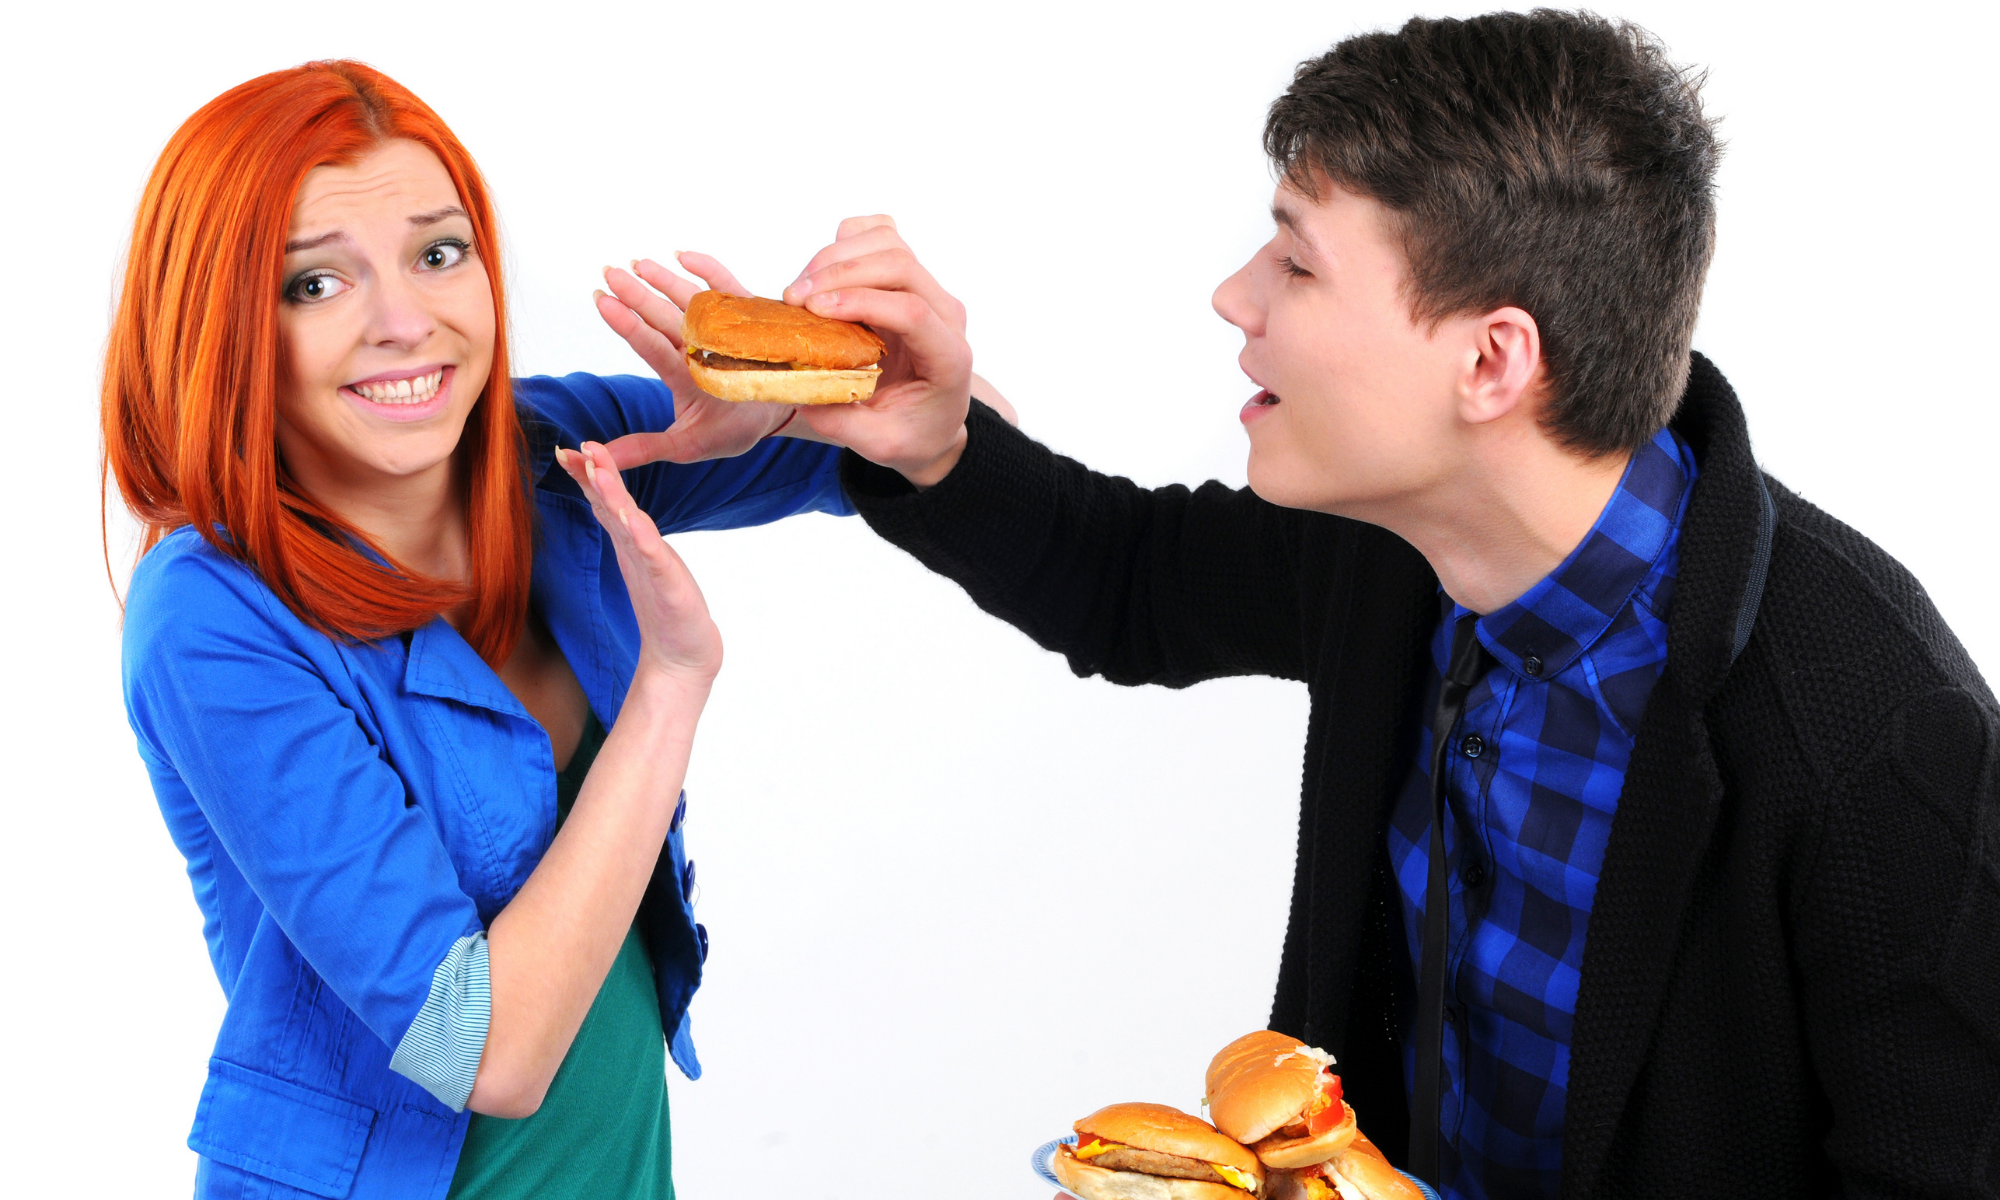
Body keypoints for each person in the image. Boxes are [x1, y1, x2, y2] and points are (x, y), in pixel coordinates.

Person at [596, 11, 1999, 1199]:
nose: (1232, 295)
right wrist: (931, 439)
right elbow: (1134, 587)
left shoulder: (1879, 739)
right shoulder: (1400, 541)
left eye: (1299, 260)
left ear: (1493, 360)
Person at [104, 62, 849, 1198]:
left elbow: (926, 462)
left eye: (438, 254)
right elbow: (483, 1050)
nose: (406, 323)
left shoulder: (547, 448)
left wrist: (812, 383)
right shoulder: (211, 615)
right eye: (314, 283)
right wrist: (668, 689)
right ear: (218, 322)